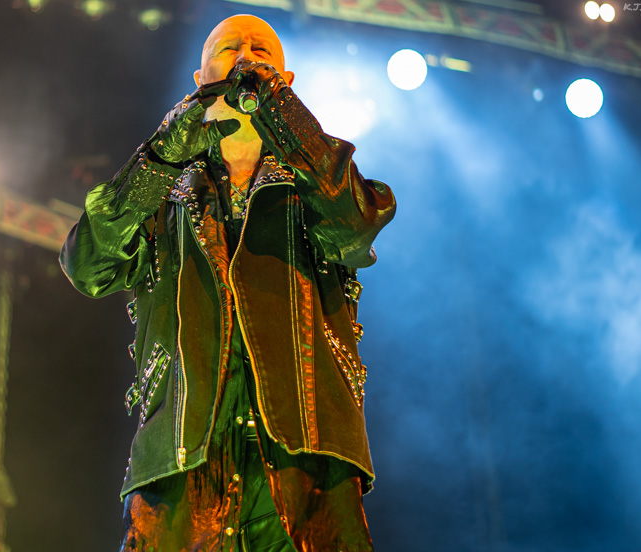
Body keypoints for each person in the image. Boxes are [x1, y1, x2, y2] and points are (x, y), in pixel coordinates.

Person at [61, 14, 396, 552]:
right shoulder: (161, 192)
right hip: (179, 459)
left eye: (261, 49)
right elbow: (87, 265)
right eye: (230, 48)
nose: (246, 57)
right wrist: (162, 155)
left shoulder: (317, 181)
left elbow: (355, 226)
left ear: (286, 81)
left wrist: (284, 117)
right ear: (200, 79)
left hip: (308, 458)